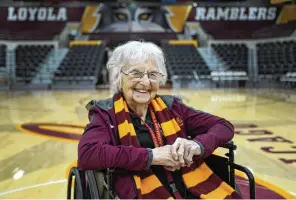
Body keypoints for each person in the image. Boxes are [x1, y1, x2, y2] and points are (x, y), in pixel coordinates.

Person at [78, 41, 241, 199]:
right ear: (119, 77)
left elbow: (223, 126)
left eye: (153, 74)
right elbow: (87, 154)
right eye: (136, 73)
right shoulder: (106, 113)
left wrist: (197, 145)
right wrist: (151, 156)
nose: (145, 82)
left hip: (191, 189)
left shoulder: (173, 107)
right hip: (142, 194)